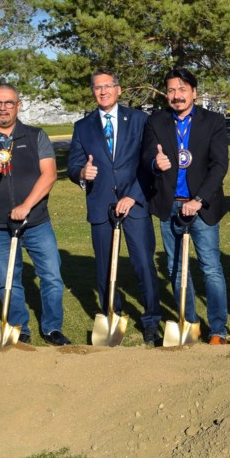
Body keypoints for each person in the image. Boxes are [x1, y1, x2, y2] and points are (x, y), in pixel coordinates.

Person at [0, 84, 71, 346]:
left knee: (52, 277)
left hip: (36, 222)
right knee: (8, 281)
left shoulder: (35, 136)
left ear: (18, 105)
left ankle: (52, 328)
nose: (3, 108)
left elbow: (50, 174)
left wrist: (26, 206)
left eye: (9, 103)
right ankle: (18, 327)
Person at [68, 69, 161, 345]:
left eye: (108, 86)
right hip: (100, 205)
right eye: (97, 87)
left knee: (144, 264)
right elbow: (74, 164)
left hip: (134, 204)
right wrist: (81, 173)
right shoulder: (82, 126)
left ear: (119, 89)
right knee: (104, 267)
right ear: (93, 92)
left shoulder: (139, 120)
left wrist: (132, 195)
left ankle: (151, 320)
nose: (103, 91)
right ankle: (112, 314)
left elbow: (149, 162)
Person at [142, 68, 229, 344]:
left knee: (210, 267)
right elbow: (146, 155)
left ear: (194, 92)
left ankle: (218, 329)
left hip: (201, 207)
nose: (176, 96)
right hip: (169, 205)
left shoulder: (212, 121)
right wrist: (156, 163)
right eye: (171, 90)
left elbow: (219, 165)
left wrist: (198, 200)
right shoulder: (156, 121)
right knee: (176, 267)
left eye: (182, 90)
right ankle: (188, 322)